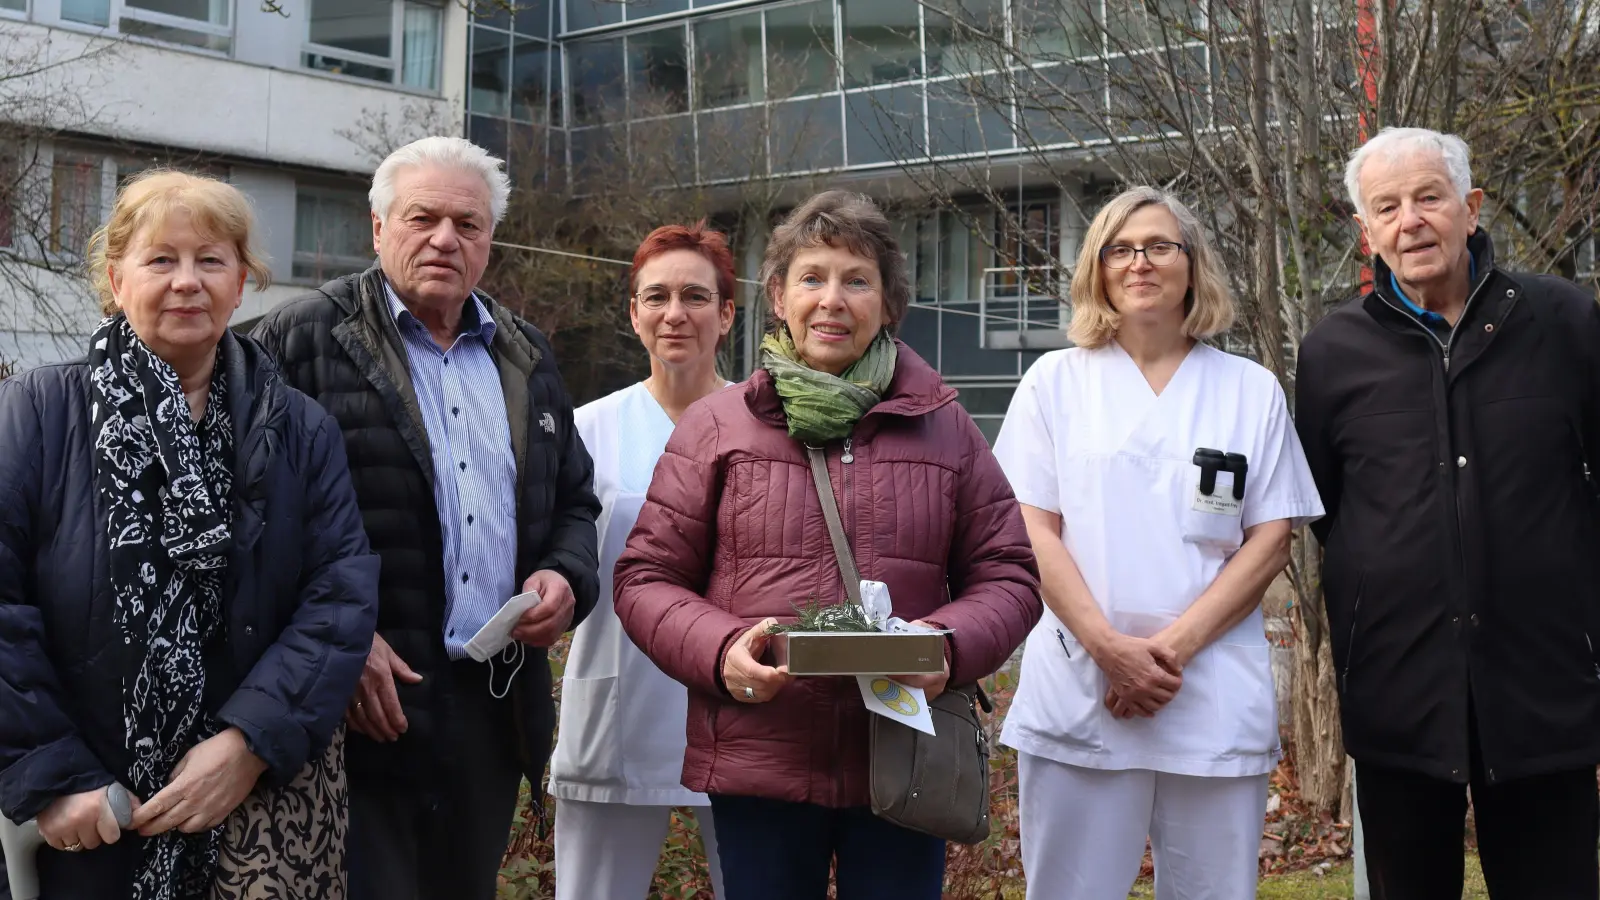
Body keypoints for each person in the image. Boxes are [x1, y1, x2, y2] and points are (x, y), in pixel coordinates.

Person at [612, 190, 1041, 900]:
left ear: (888, 304)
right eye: (812, 277)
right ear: (778, 297)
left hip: (904, 759)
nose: (832, 300)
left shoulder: (946, 427)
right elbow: (645, 578)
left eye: (856, 280)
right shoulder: (718, 427)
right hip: (761, 756)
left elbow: (1010, 574)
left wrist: (944, 646)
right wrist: (722, 652)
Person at [0, 170, 379, 898]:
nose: (187, 282)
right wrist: (52, 778)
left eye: (211, 261)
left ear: (243, 283)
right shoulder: (38, 412)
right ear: (115, 277)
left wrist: (250, 743)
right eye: (160, 260)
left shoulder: (300, 428)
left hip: (252, 819)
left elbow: (338, 597)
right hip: (90, 819)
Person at [251, 136, 601, 900]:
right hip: (353, 709)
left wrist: (565, 575)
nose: (446, 239)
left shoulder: (526, 354)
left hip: (488, 708)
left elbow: (576, 501)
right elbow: (250, 525)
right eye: (423, 218)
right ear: (378, 229)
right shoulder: (297, 341)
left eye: (468, 224)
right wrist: (335, 642)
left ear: (490, 241)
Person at [992, 186, 1324, 899]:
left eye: (1159, 246)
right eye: (1120, 248)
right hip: (1085, 684)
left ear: (1193, 264)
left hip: (1205, 687)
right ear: (1098, 269)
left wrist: (1166, 654)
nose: (1139, 262)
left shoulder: (1249, 389)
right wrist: (1111, 652)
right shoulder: (1054, 382)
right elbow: (1030, 529)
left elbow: (1271, 539)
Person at [1296, 126, 1600, 899]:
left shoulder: (1564, 322)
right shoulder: (1333, 354)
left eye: (1429, 197)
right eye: (1387, 207)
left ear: (1471, 207)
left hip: (1545, 687)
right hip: (1400, 692)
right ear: (1366, 230)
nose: (1411, 221)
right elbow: (1329, 510)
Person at [549, 222, 734, 898]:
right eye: (655, 297)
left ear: (727, 313)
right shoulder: (586, 430)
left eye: (694, 296)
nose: (674, 314)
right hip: (618, 698)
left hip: (739, 705)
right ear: (633, 313)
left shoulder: (766, 426)